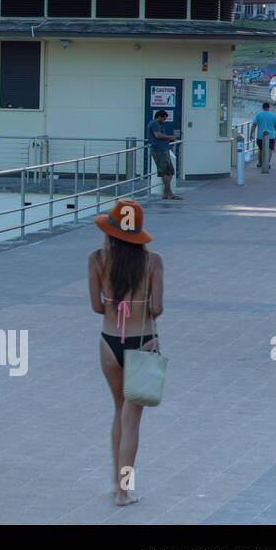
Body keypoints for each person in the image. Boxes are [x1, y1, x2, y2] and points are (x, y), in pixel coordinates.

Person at [88, 199, 163, 507]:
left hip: (109, 342)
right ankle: (123, 490)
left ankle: (115, 482)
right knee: (132, 419)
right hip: (142, 341)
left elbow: (95, 306)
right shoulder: (153, 261)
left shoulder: (96, 259)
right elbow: (157, 308)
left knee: (119, 411)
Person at [147, 110, 180, 200]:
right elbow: (157, 136)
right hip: (159, 150)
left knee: (171, 171)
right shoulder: (154, 124)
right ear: (159, 117)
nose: (164, 121)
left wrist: (168, 140)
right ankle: (170, 193)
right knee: (165, 172)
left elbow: (160, 137)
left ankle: (166, 193)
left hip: (164, 149)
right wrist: (170, 137)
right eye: (163, 119)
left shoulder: (159, 125)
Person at [253, 102, 276, 173]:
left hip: (260, 135)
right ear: (269, 108)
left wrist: (251, 134)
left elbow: (254, 125)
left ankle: (260, 163)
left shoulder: (258, 115)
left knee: (261, 149)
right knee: (270, 149)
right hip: (271, 135)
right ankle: (267, 163)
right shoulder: (273, 116)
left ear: (262, 107)